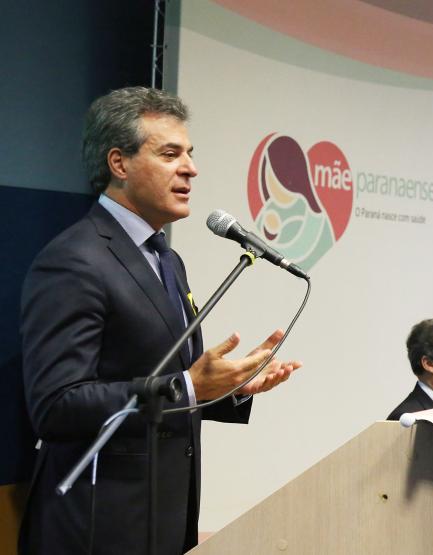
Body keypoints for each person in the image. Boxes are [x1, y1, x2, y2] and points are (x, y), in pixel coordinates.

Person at [19, 87, 301, 554]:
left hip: (164, 519)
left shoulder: (166, 259)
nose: (190, 168)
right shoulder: (74, 260)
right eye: (170, 154)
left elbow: (166, 382)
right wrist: (190, 386)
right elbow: (56, 406)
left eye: (190, 154)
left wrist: (228, 388)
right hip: (97, 527)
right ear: (119, 164)